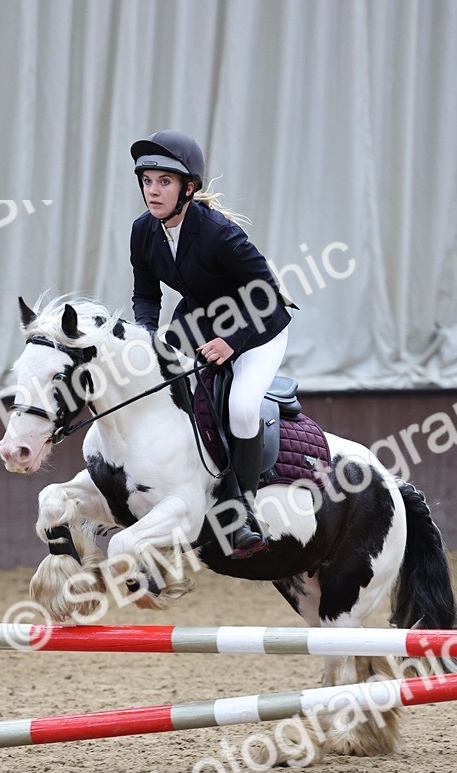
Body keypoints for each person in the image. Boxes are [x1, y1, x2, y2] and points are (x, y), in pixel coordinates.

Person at [129, 129, 292, 557]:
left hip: (258, 329)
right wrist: (146, 336)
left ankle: (242, 509)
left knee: (240, 408)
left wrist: (232, 343)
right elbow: (147, 295)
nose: (153, 190)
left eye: (165, 181)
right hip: (199, 322)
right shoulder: (142, 232)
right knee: (162, 392)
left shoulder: (219, 233)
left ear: (188, 188)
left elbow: (266, 291)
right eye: (147, 180)